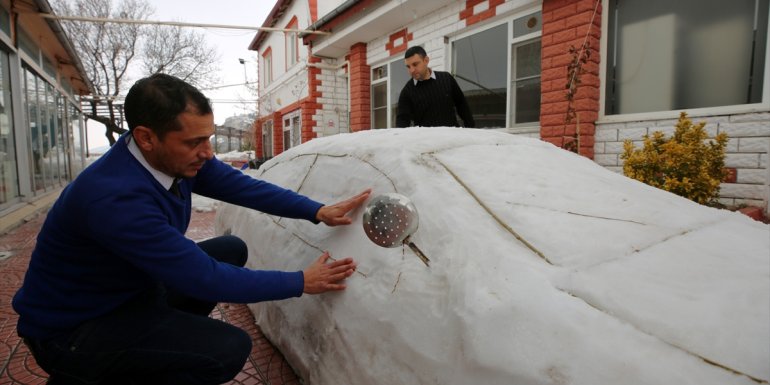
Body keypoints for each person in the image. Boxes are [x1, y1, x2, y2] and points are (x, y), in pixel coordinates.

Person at [12, 73, 371, 385]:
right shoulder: (113, 198)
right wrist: (301, 282)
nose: (208, 152)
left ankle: (160, 343)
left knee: (230, 248)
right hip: (75, 329)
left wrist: (315, 210)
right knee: (228, 349)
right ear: (146, 137)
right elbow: (204, 278)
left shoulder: (172, 158)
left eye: (208, 138)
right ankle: (100, 371)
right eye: (194, 142)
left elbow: (243, 187)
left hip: (128, 291)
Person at [395, 45, 475, 128]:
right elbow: (402, 122)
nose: (411, 70)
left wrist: (471, 129)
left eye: (415, 64)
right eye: (408, 67)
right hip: (426, 136)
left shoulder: (446, 78)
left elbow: (462, 105)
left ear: (426, 60)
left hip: (452, 135)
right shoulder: (407, 92)